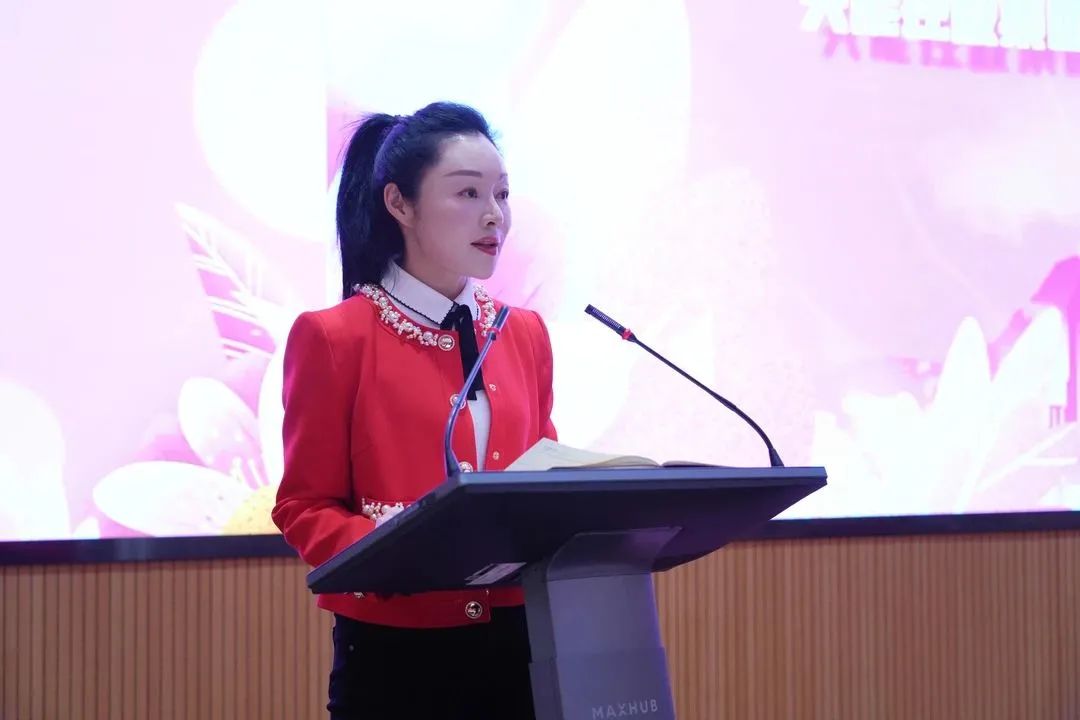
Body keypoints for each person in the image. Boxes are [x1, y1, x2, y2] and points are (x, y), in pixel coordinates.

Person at [271, 101, 557, 719]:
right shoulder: (334, 338)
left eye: (502, 194)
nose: (494, 215)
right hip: (395, 659)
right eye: (468, 192)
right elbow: (303, 507)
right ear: (399, 204)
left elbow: (544, 481)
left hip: (524, 648)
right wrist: (400, 554)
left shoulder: (525, 333)